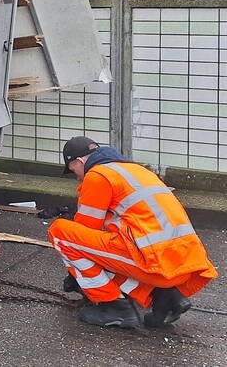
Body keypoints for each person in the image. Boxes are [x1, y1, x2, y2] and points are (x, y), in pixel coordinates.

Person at [48, 136, 218, 329]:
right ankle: (164, 297)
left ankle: (113, 306)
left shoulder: (98, 175)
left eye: (73, 171)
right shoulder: (137, 171)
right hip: (182, 264)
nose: (78, 177)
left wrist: (76, 274)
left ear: (79, 162)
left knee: (61, 233)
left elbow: (84, 232)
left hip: (155, 265)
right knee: (110, 232)